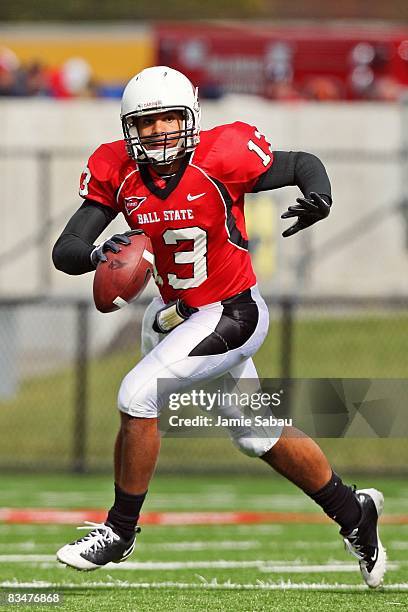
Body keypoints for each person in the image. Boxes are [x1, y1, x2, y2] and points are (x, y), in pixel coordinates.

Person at [52, 66, 386, 587]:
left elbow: (302, 163)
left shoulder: (222, 155)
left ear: (190, 118)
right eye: (147, 123)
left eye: (169, 119)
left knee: (136, 395)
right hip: (176, 315)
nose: (160, 132)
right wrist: (98, 252)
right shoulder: (117, 170)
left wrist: (320, 196)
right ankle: (355, 511)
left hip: (233, 311)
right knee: (257, 435)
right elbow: (65, 249)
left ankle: (119, 532)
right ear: (129, 129)